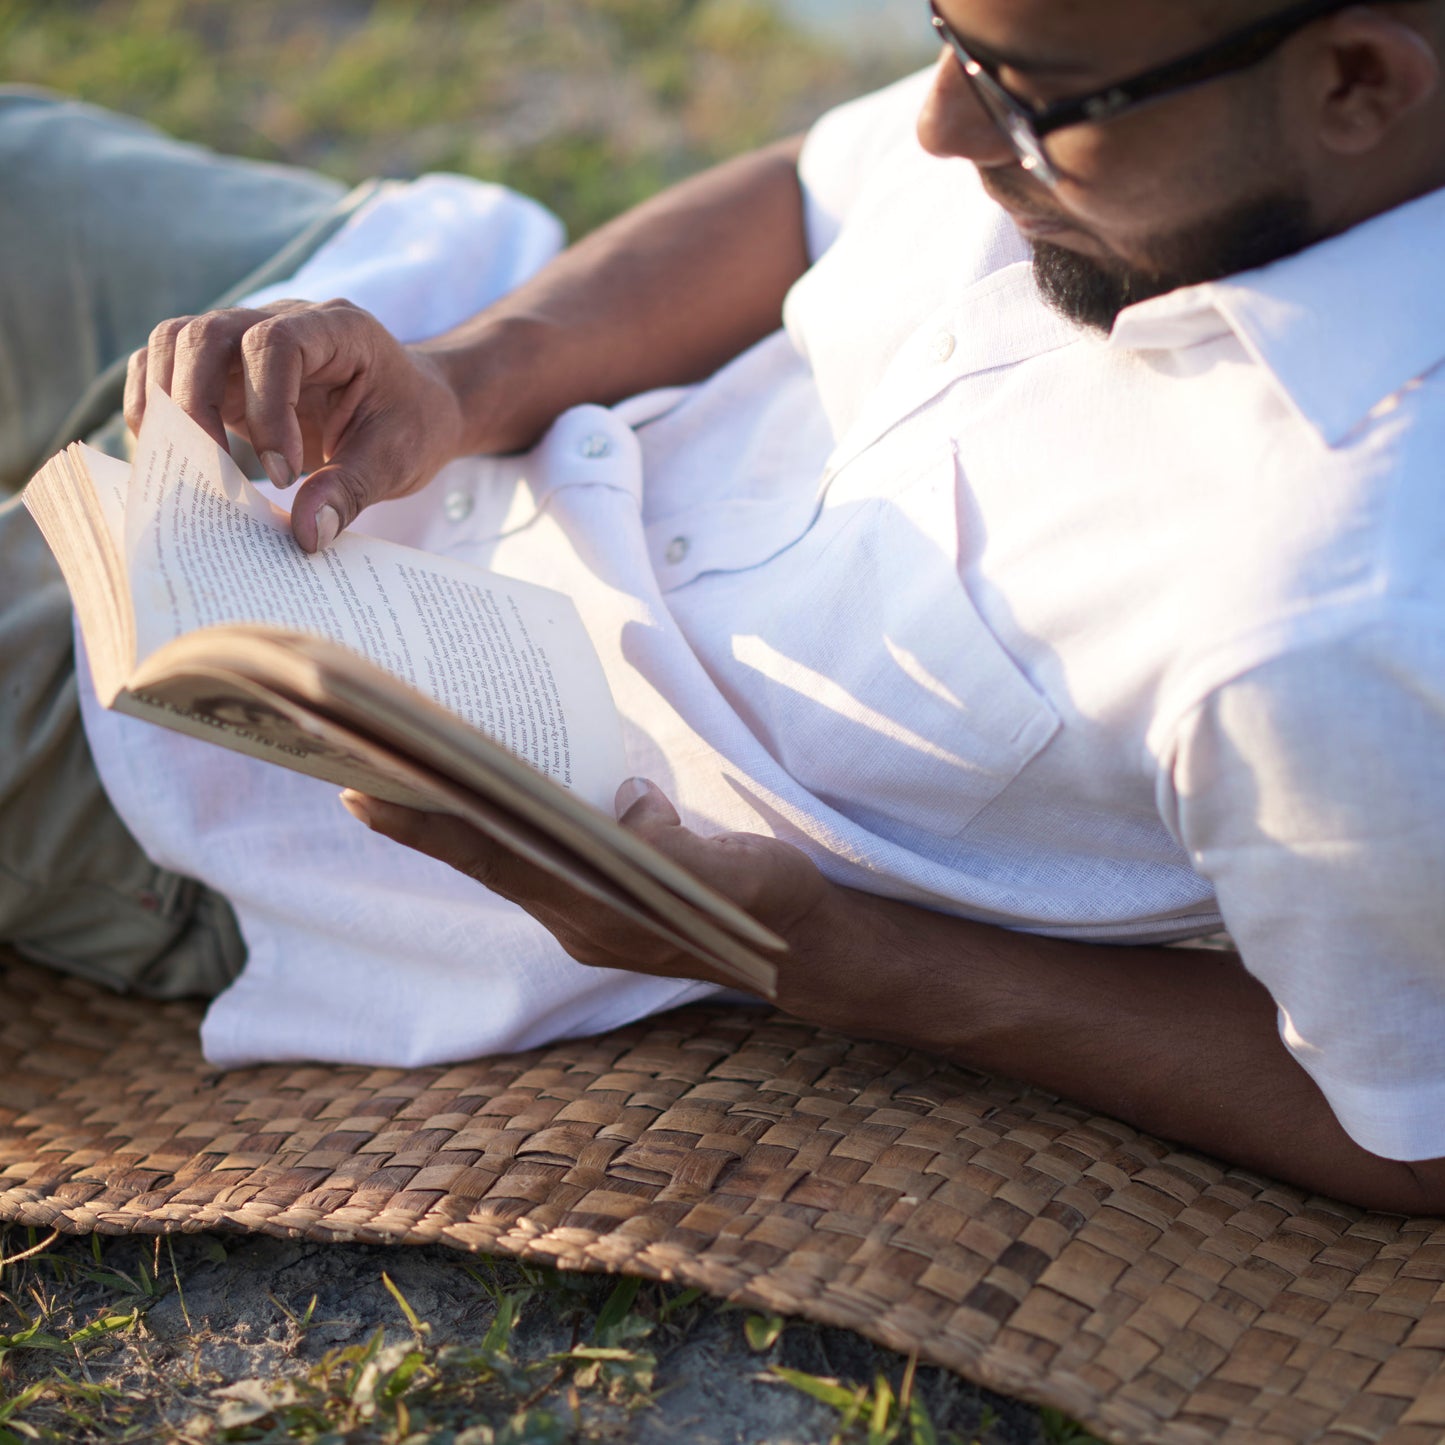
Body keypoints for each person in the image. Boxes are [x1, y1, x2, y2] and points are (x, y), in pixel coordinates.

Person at [5, 0, 1445, 1215]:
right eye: (939, 32)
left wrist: (836, 965)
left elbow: (1404, 1120)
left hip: (222, 773)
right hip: (387, 342)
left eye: (1020, 96)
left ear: (1357, 84)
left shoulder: (1331, 615)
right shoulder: (1130, 84)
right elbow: (806, 192)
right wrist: (467, 373)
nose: (942, 125)